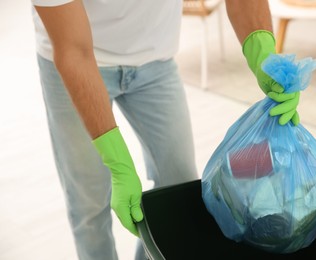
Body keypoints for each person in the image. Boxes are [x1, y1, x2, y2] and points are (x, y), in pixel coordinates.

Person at [31, 0, 300, 259]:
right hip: (74, 59)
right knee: (88, 204)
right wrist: (118, 163)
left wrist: (264, 55)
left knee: (178, 186)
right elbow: (74, 51)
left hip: (154, 60)